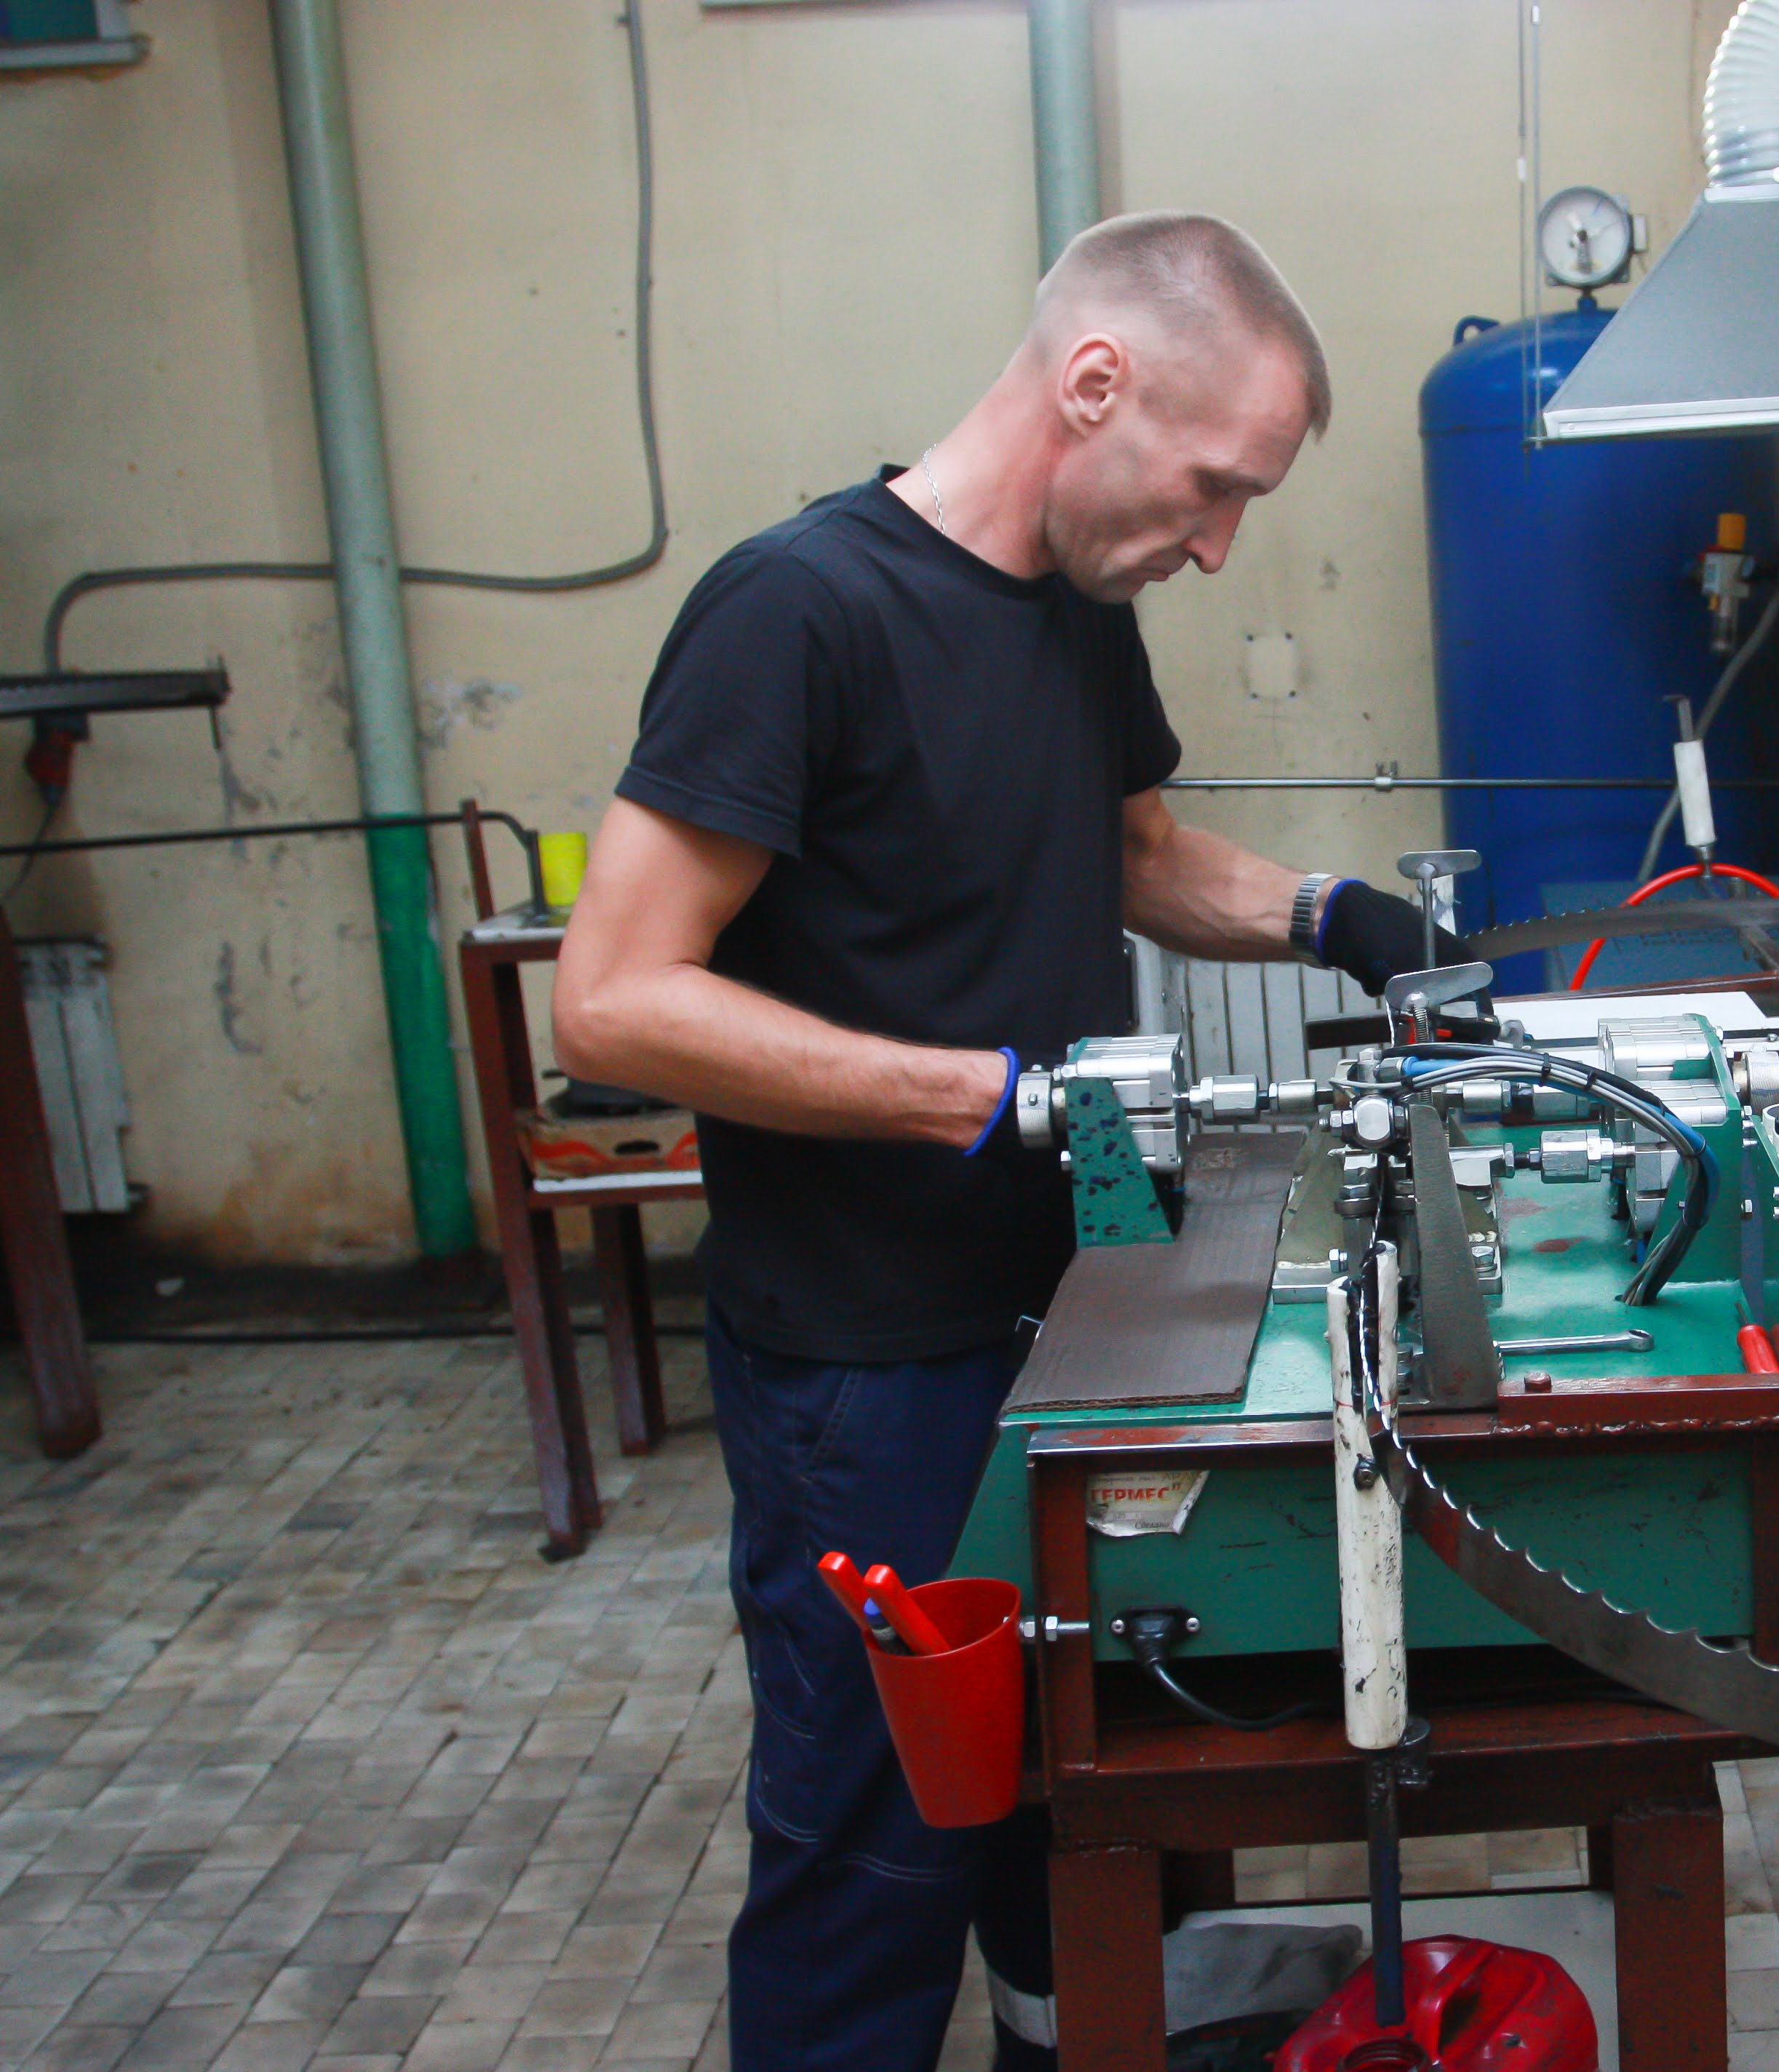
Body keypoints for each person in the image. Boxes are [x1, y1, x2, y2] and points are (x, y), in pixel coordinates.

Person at [553, 210, 1448, 2072]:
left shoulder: (1078, 610)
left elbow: (1134, 852)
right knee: (878, 1837)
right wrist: (988, 1095)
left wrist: (1334, 912)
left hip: (1075, 1320)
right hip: (868, 1363)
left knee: (1075, 1788)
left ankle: (1067, 2038)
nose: (1220, 543)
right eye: (1215, 487)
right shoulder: (799, 608)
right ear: (1095, 381)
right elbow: (617, 999)